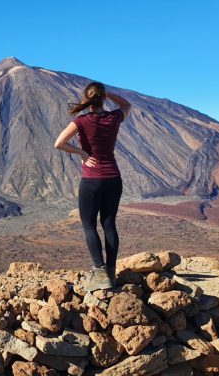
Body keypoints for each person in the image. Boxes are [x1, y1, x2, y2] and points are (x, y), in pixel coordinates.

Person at [53, 81, 131, 291]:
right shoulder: (114, 118)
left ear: (87, 100)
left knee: (89, 225)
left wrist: (82, 153)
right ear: (103, 98)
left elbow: (58, 143)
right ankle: (112, 273)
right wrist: (109, 94)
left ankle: (100, 272)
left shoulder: (82, 121)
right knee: (109, 225)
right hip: (114, 179)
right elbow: (127, 105)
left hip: (92, 181)